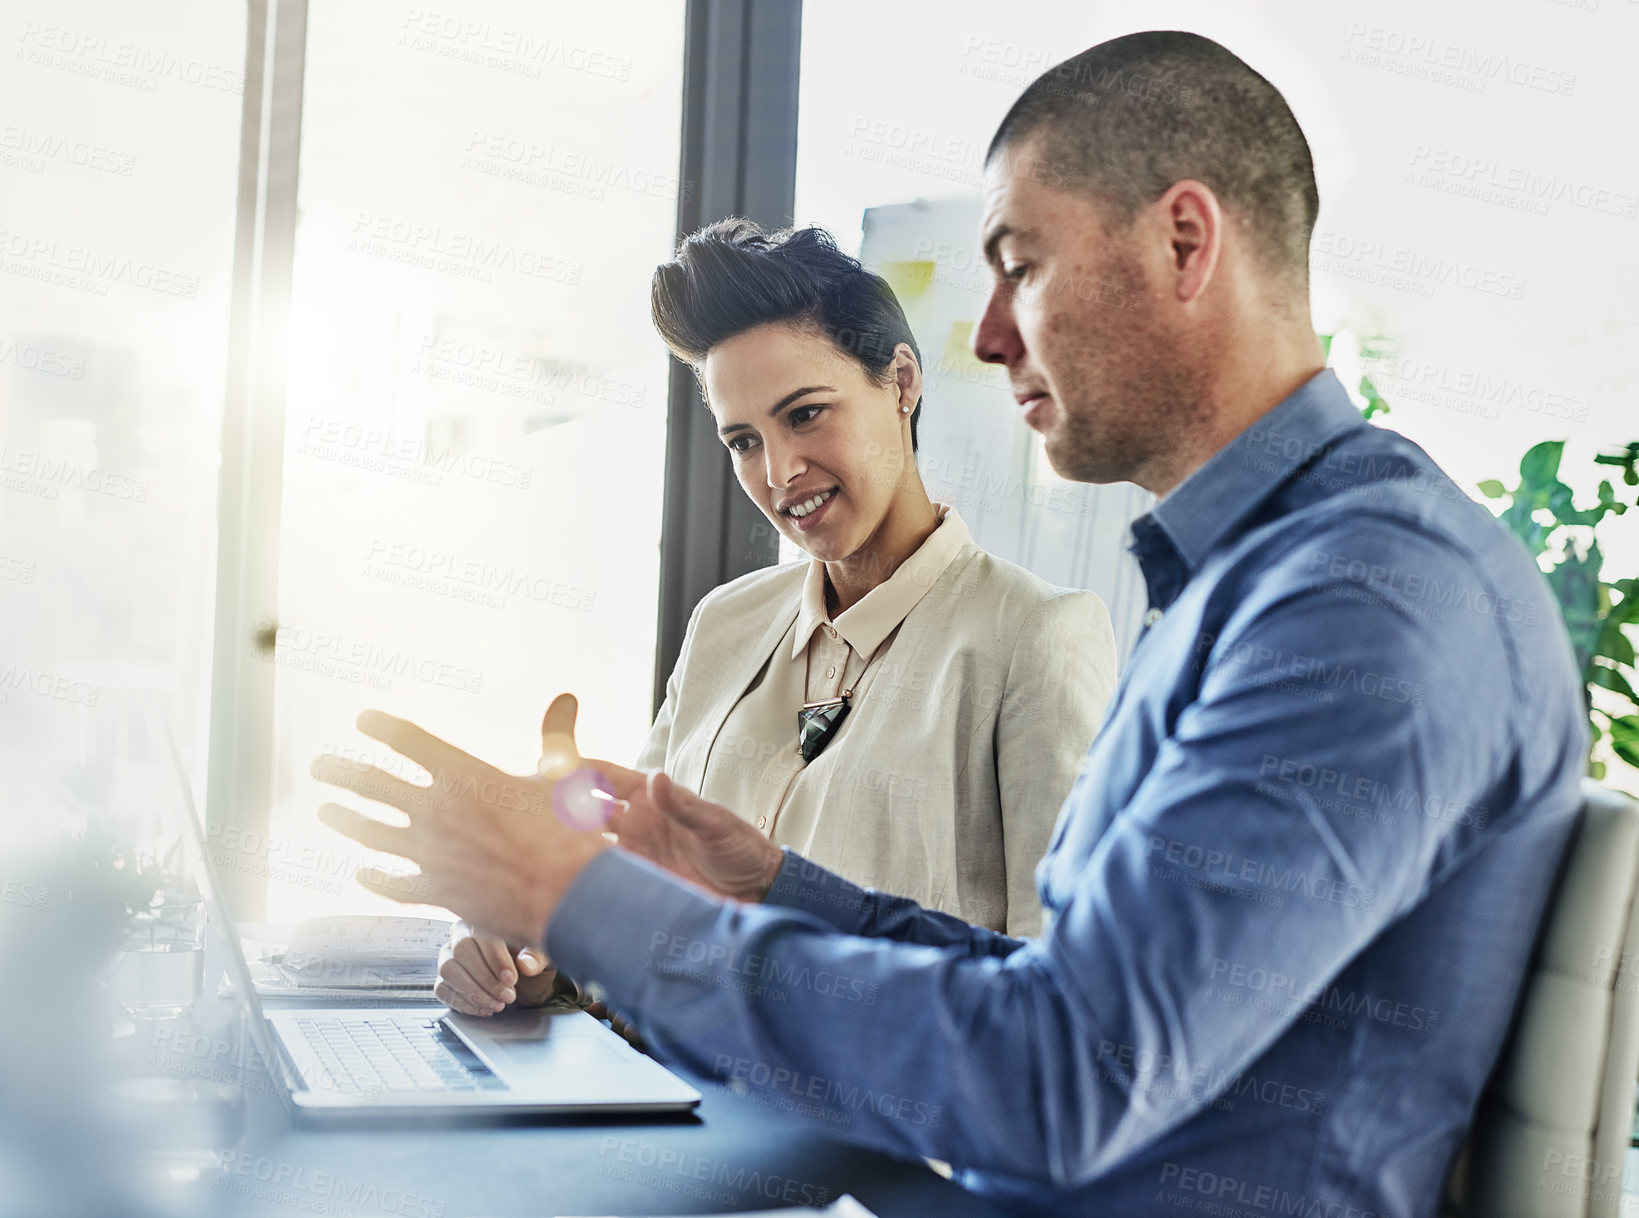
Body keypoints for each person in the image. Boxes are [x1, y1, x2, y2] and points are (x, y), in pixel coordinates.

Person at [315, 31, 1587, 1217]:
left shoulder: (1358, 600)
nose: (987, 334)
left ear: (1184, 243)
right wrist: (767, 887)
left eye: (1019, 267)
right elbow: (1071, 1002)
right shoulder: (1271, 578)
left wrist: (581, 900)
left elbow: (1062, 1078)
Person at [433, 220, 1118, 1018]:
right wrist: (531, 949)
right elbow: (636, 912)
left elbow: (1065, 996)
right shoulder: (725, 623)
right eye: (743, 440)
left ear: (900, 383)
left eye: (804, 415)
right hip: (662, 1101)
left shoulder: (1034, 638)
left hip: (867, 1131)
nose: (779, 473)